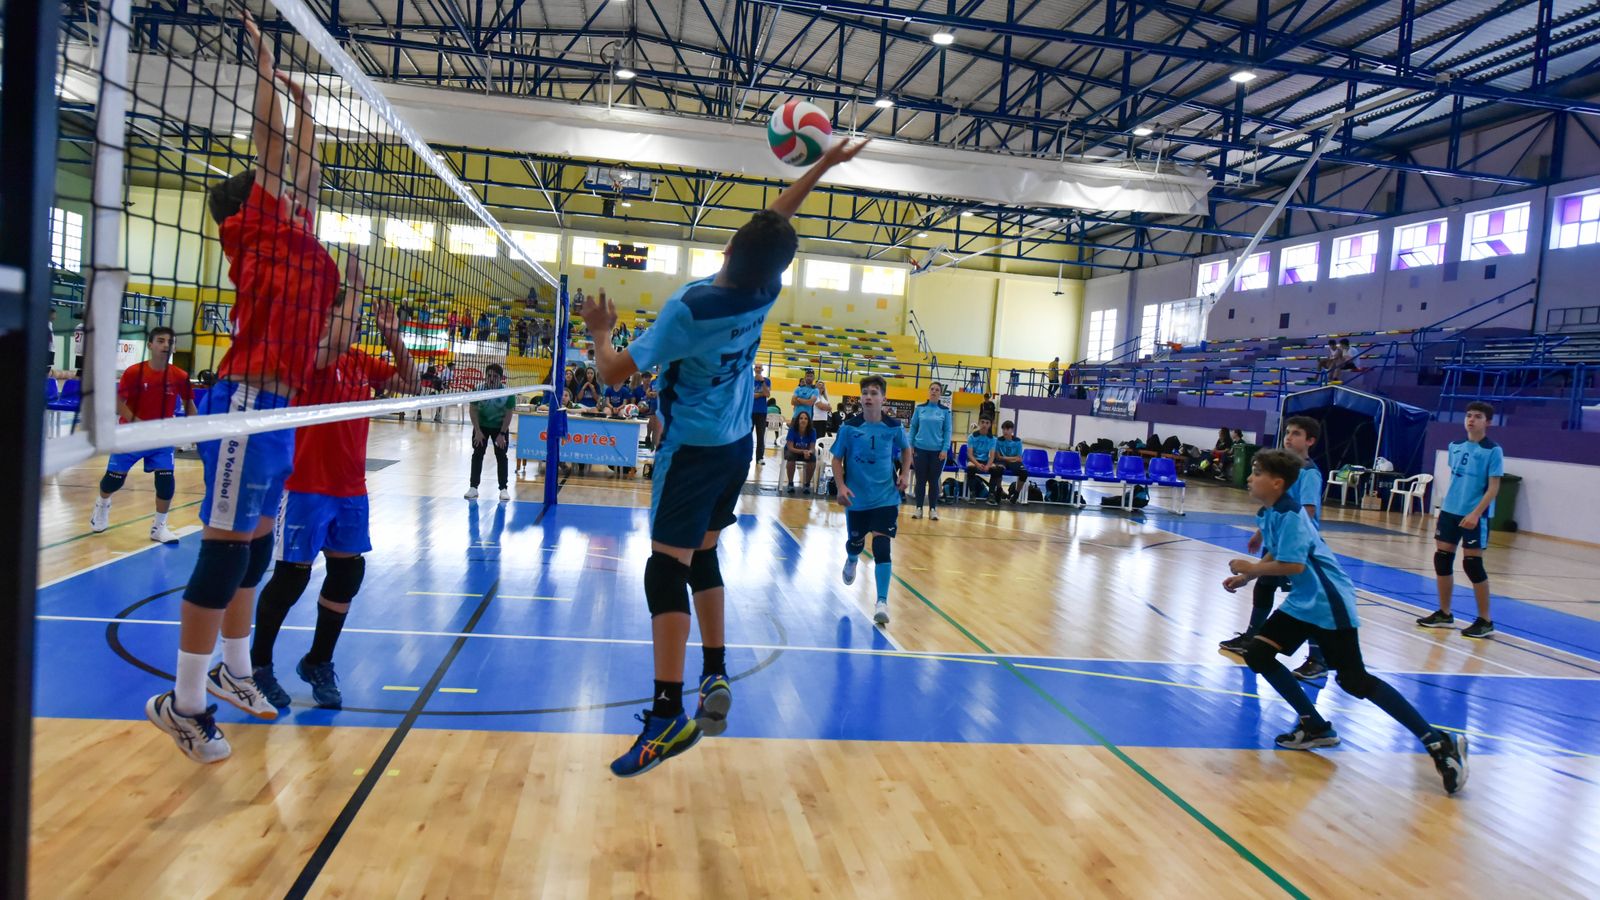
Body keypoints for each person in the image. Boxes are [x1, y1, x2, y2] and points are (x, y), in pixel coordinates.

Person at [580, 136, 870, 778]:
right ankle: (714, 671)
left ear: (732, 248)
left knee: (664, 569)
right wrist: (821, 165)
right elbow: (777, 223)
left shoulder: (691, 309)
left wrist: (601, 331)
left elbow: (610, 375)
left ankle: (665, 715)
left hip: (692, 453)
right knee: (703, 556)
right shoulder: (767, 288)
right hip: (739, 446)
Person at [145, 11, 348, 763]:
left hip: (281, 411)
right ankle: (184, 701)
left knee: (257, 552)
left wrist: (305, 111)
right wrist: (265, 72)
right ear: (251, 205)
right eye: (282, 186)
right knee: (227, 550)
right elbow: (275, 154)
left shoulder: (299, 238)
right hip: (243, 404)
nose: (297, 190)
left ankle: (233, 673)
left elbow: (306, 165)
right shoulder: (253, 229)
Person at [1223, 449, 1467, 794]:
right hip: (1304, 601)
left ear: (1277, 483)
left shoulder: (1292, 514)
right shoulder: (1270, 513)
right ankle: (1315, 727)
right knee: (1259, 655)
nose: (1249, 477)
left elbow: (1294, 566)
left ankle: (1438, 741)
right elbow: (1279, 552)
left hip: (1328, 600)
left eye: (1256, 472)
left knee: (1355, 680)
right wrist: (1248, 578)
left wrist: (1252, 569)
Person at [250, 300, 417, 710]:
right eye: (349, 319)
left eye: (358, 321)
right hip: (305, 486)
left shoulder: (361, 362)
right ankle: (258, 668)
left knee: (348, 574)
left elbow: (411, 383)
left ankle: (318, 661)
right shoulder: (304, 357)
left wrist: (392, 335)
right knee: (290, 579)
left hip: (350, 488)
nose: (356, 326)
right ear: (325, 320)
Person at [1220, 416, 1327, 679]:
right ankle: (1252, 636)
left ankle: (1318, 658)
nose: (1289, 437)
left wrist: (1250, 569)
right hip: (1281, 538)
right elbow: (1275, 507)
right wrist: (1261, 532)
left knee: (1306, 600)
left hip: (1299, 544)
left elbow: (1308, 510)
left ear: (1310, 441)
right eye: (1288, 432)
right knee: (1264, 586)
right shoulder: (1283, 471)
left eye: (1297, 434)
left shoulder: (1309, 473)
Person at [90, 326, 197, 543]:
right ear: (150, 345)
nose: (166, 345)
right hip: (131, 435)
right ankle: (102, 505)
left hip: (161, 438)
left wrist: (195, 429)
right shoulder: (134, 372)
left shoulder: (180, 376)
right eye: (160, 341)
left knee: (166, 482)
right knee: (113, 481)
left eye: (170, 341)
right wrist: (137, 423)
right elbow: (118, 403)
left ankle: (159, 527)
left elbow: (189, 405)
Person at [1417, 401, 1503, 638]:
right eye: (1468, 415)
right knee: (1442, 560)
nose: (1471, 420)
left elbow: (1493, 488)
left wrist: (1475, 513)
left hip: (1475, 514)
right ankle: (1444, 614)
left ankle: (1485, 620)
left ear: (1488, 422)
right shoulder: (1454, 446)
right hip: (1450, 512)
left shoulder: (1492, 450)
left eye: (1477, 416)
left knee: (1472, 565)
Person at [832, 375, 911, 626]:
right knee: (855, 543)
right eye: (865, 392)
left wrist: (905, 473)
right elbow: (836, 459)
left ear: (883, 398)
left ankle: (882, 602)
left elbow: (907, 450)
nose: (869, 396)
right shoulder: (849, 428)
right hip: (857, 499)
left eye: (874, 392)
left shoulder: (893, 427)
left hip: (886, 497)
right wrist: (842, 486)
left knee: (881, 548)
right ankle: (852, 558)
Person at [465, 364, 516, 501]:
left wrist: (502, 434)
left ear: (501, 378)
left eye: (495, 376)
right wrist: (477, 430)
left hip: (500, 427)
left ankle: (503, 488)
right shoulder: (478, 390)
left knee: (501, 455)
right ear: (485, 376)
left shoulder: (507, 393)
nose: (491, 379)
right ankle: (473, 487)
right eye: (489, 376)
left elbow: (508, 414)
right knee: (477, 454)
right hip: (481, 426)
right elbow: (473, 410)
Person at [908, 381, 953, 520]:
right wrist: (911, 446)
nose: (934, 391)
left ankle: (933, 509)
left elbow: (947, 431)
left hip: (938, 452)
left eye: (937, 390)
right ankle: (919, 508)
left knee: (933, 481)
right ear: (928, 391)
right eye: (932, 389)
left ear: (940, 393)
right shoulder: (919, 408)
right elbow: (913, 428)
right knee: (920, 480)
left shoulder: (945, 411)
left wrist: (945, 449)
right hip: (920, 450)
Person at [992, 420, 1029, 504]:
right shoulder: (999, 440)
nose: (1005, 431)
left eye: (1007, 429)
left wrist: (1004, 457)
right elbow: (997, 456)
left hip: (1010, 461)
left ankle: (1016, 494)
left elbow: (1019, 458)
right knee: (998, 470)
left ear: (1012, 430)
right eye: (1004, 429)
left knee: (1024, 473)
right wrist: (1011, 458)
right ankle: (999, 490)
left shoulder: (1017, 441)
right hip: (1002, 461)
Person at [783, 410, 819, 494]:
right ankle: (790, 483)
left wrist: (809, 452)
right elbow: (790, 447)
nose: (803, 420)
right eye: (801, 418)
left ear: (808, 421)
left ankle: (807, 484)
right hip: (792, 451)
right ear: (798, 420)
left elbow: (813, 448)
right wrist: (804, 451)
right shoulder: (792, 430)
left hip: (805, 452)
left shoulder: (812, 431)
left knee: (812, 458)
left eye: (806, 419)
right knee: (791, 457)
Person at [965, 416, 999, 501]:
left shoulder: (993, 439)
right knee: (970, 468)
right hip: (974, 460)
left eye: (987, 423)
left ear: (990, 425)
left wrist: (988, 465)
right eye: (982, 422)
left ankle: (991, 494)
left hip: (985, 460)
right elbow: (969, 454)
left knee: (996, 470)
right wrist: (977, 464)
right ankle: (972, 494)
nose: (984, 425)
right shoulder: (971, 437)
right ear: (979, 423)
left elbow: (992, 456)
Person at [752, 363, 773, 467]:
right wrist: (761, 394)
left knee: (760, 436)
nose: (758, 369)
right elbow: (749, 395)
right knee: (746, 435)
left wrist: (762, 381)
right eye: (756, 367)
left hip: (761, 412)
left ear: (762, 369)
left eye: (760, 367)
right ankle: (745, 457)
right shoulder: (749, 380)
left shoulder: (767, 380)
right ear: (754, 369)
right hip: (749, 411)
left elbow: (767, 394)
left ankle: (759, 458)